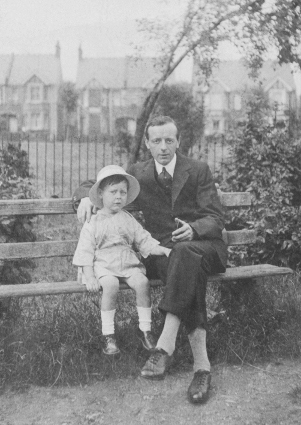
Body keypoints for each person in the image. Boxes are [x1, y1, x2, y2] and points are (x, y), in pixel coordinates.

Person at [73, 116, 227, 404]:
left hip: (205, 247)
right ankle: (201, 368)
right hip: (164, 254)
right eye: (156, 141)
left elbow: (217, 219)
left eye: (169, 140)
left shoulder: (198, 170)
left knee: (186, 256)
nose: (163, 147)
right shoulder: (140, 174)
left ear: (178, 141)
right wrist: (85, 197)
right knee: (183, 264)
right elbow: (96, 184)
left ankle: (164, 346)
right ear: (147, 144)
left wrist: (195, 229)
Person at [73, 165, 171, 356]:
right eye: (113, 192)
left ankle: (145, 330)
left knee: (142, 282)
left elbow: (144, 239)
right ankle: (109, 335)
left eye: (123, 192)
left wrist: (162, 249)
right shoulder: (93, 221)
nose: (118, 197)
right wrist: (90, 276)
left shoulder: (128, 218)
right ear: (101, 194)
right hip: (103, 265)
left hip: (126, 263)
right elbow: (85, 251)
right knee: (110, 285)